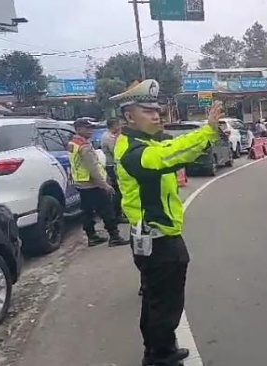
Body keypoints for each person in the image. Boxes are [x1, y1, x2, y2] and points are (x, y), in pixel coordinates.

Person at [110, 79, 221, 366]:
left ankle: (161, 349)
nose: (156, 115)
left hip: (157, 236)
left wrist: (204, 134)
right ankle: (160, 358)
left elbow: (173, 146)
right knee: (165, 304)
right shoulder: (133, 152)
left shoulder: (145, 142)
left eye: (157, 110)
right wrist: (206, 131)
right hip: (157, 239)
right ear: (128, 116)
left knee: (154, 299)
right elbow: (168, 156)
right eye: (146, 110)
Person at [68, 119, 129, 247]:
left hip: (81, 182)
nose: (91, 131)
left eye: (91, 128)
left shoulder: (73, 143)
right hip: (92, 184)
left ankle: (92, 236)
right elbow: (93, 168)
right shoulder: (84, 146)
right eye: (87, 128)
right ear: (78, 129)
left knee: (87, 211)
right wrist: (105, 184)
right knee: (107, 210)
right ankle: (114, 236)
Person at [101, 118, 127, 223]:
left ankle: (117, 213)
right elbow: (116, 151)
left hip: (111, 165)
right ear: (114, 125)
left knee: (117, 190)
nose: (120, 126)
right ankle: (116, 215)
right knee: (117, 191)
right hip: (111, 166)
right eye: (119, 124)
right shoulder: (109, 137)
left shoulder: (108, 136)